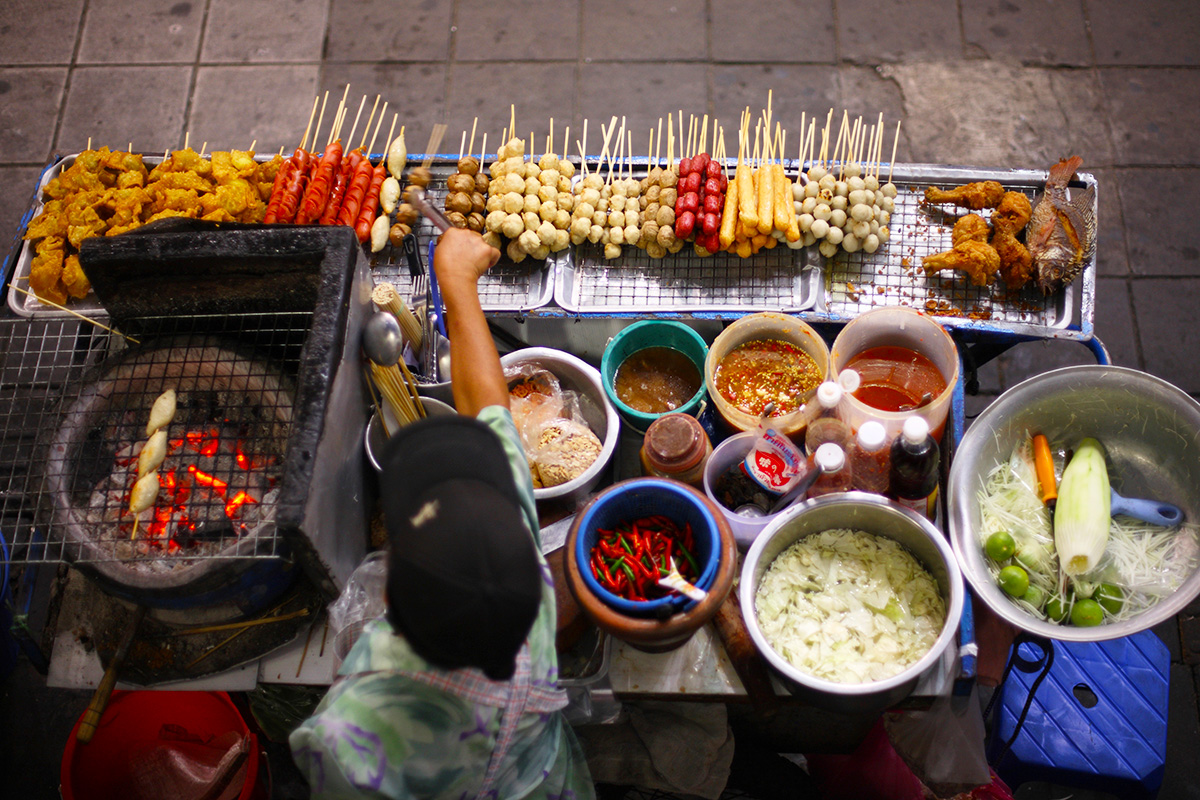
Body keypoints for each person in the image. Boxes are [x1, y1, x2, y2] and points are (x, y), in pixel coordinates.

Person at [290, 228, 595, 800]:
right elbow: (491, 409)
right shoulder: (522, 580)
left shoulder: (348, 736)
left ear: (389, 597)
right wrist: (457, 283)